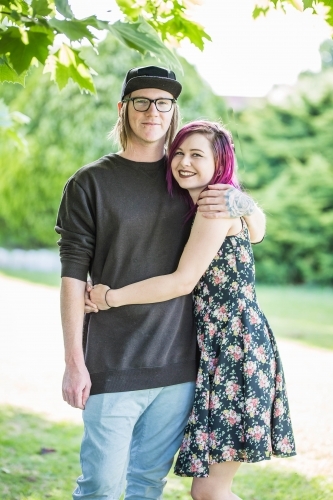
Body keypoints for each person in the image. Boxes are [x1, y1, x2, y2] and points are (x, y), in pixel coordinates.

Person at [55, 66, 266, 500]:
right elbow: (73, 275)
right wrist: (74, 362)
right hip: (113, 362)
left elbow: (247, 226)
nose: (153, 111)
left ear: (173, 112)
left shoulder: (189, 179)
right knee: (101, 486)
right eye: (142, 101)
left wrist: (247, 205)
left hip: (182, 366)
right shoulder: (90, 182)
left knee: (147, 485)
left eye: (164, 103)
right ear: (123, 109)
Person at [88, 121, 296, 500]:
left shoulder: (216, 205)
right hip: (222, 349)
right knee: (208, 489)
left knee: (209, 490)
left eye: (197, 155)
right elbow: (257, 230)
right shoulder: (213, 200)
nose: (183, 162)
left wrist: (109, 297)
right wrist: (249, 206)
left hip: (236, 352)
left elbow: (183, 281)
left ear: (220, 162)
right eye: (179, 153)